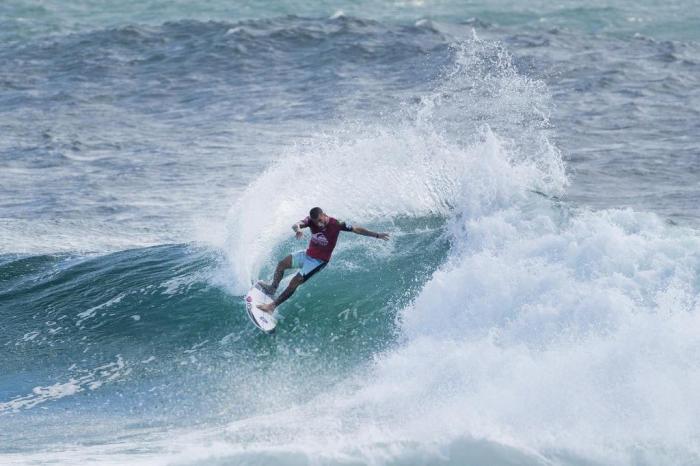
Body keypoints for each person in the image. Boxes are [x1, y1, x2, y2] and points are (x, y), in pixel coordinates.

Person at [256, 207, 389, 313]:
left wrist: (376, 235)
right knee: (282, 264)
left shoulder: (336, 223)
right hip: (307, 254)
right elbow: (297, 224)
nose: (319, 224)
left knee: (294, 282)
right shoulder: (311, 221)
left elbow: (357, 229)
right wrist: (297, 229)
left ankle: (272, 306)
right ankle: (272, 288)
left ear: (324, 214)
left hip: (318, 261)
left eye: (321, 220)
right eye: (316, 222)